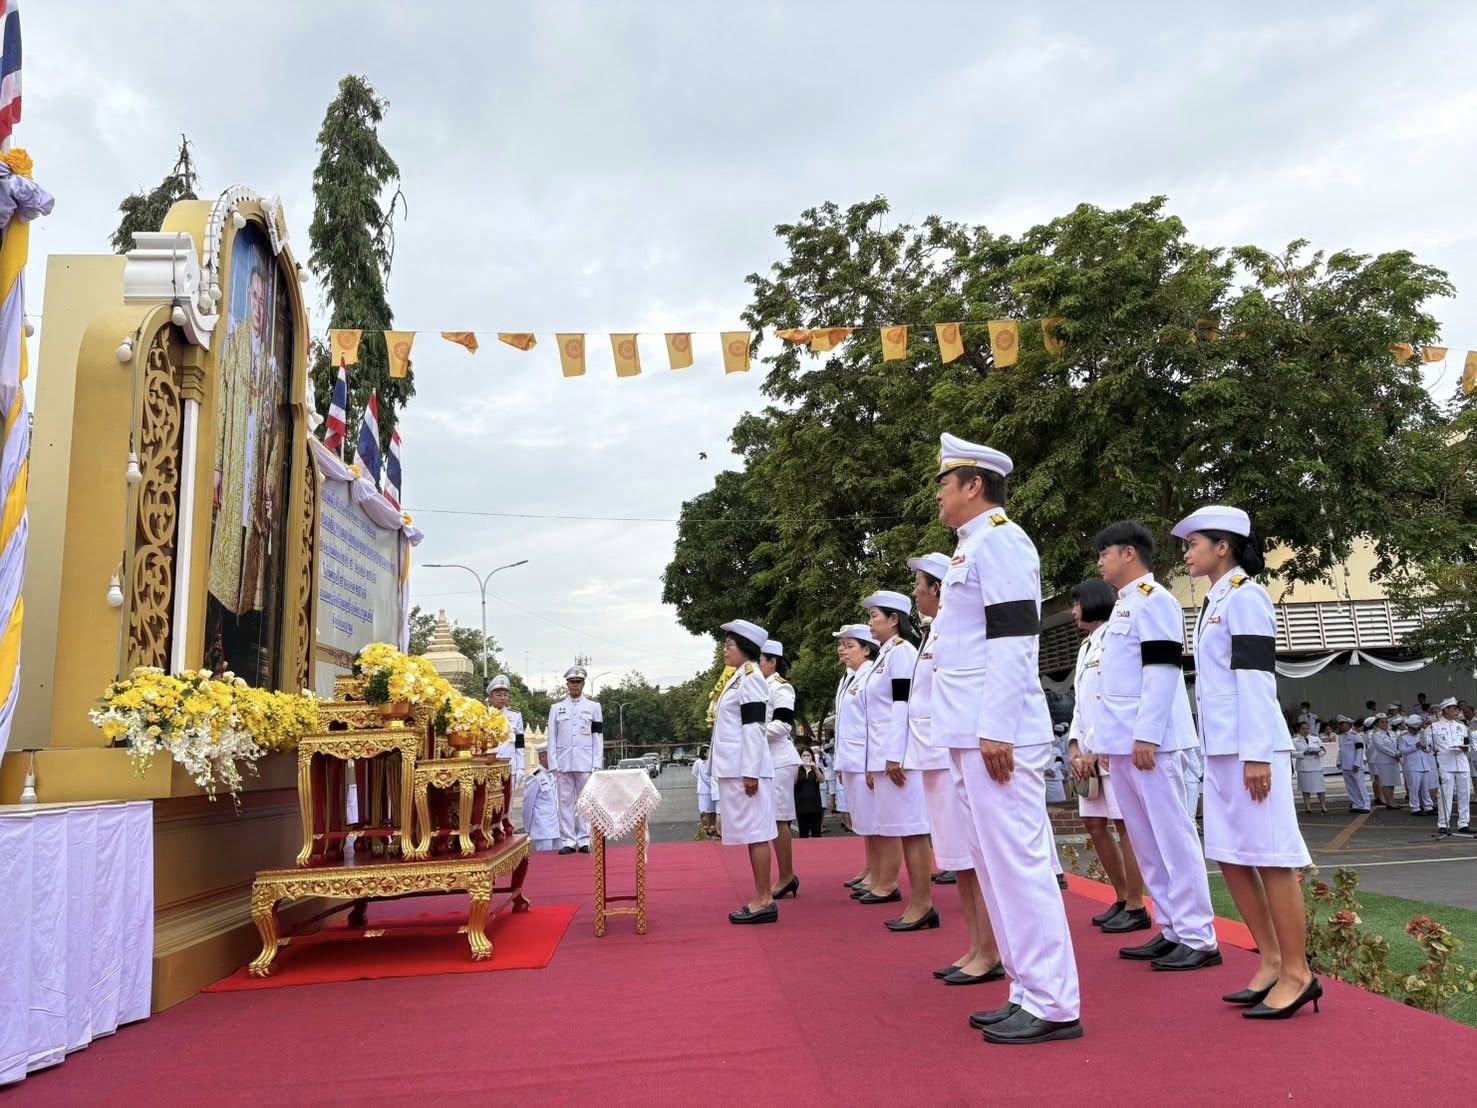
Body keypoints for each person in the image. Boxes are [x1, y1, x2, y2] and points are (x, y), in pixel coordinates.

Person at [931, 433, 1081, 1045]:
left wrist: (996, 725)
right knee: (996, 867)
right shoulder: (971, 548)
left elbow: (1016, 640)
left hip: (999, 732)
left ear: (974, 485)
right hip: (970, 731)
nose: (938, 495)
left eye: (945, 483)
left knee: (1019, 864)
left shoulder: (1003, 540)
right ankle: (1026, 989)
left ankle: (1054, 1002)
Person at [1173, 506, 1317, 1018]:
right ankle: (1272, 959)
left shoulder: (1246, 597)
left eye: (1193, 544)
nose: (1186, 554)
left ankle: (1298, 973)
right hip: (1221, 749)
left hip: (1252, 750)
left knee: (1272, 858)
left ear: (1224, 547)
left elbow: (1256, 679)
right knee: (1231, 855)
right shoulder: (1215, 600)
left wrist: (1257, 754)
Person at [1092, 519, 1220, 973]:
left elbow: (1162, 672)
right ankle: (1171, 927)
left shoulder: (1155, 600)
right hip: (1124, 745)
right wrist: (1106, 741)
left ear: (1128, 554)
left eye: (1105, 553)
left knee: (1173, 838)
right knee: (1147, 843)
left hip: (1153, 743)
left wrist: (1147, 734)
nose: (1100, 562)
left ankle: (1199, 935)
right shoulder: (1124, 607)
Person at [906, 551, 1004, 980]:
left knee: (973, 860)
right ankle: (977, 945)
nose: (916, 593)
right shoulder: (935, 631)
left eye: (920, 585)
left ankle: (991, 950)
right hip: (935, 755)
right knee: (958, 861)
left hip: (954, 754)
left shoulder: (959, 627)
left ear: (939, 588)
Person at [1065, 576, 1149, 934]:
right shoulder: (1086, 646)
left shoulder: (1114, 639)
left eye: (1077, 603)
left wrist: (1096, 748)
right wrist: (1074, 745)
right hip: (1087, 750)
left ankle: (1136, 904)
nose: (1073, 610)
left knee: (1124, 824)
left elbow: (1111, 699)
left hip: (1111, 749)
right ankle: (1120, 896)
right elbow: (1081, 703)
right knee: (1094, 823)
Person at [858, 590, 935, 929]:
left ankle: (923, 903)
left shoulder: (902, 652)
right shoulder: (885, 654)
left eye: (874, 616)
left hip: (899, 755)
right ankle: (917, 902)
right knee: (902, 830)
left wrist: (894, 755)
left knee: (912, 830)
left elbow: (902, 705)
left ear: (893, 620)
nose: (870, 623)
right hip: (884, 755)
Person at [710, 620, 778, 923]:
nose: (725, 651)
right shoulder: (739, 676)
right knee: (753, 834)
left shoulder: (751, 678)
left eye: (730, 646)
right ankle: (762, 896)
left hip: (747, 770)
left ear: (745, 648)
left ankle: (765, 900)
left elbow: (754, 728)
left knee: (757, 833)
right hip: (737, 767)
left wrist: (751, 772)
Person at [834, 624, 879, 888]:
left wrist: (873, 763)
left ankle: (880, 873)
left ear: (866, 650)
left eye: (849, 646)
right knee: (862, 819)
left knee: (873, 821)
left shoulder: (871, 675)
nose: (843, 650)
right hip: (850, 759)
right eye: (841, 646)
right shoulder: (848, 678)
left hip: (864, 758)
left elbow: (873, 723)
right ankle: (870, 867)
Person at [761, 639, 802, 899]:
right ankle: (786, 875)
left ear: (772, 662)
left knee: (779, 818)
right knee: (773, 818)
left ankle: (787, 875)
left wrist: (752, 733)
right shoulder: (760, 686)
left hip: (781, 759)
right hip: (767, 759)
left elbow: (783, 725)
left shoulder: (781, 688)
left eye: (759, 661)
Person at [547, 665, 603, 853]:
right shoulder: (557, 708)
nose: (575, 685)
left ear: (583, 684)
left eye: (578, 682)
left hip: (585, 761)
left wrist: (597, 763)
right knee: (565, 802)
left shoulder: (594, 707)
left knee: (585, 801)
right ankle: (568, 841)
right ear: (567, 684)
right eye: (572, 682)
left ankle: (585, 839)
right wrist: (553, 763)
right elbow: (552, 738)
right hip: (563, 762)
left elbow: (597, 736)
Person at [1432, 697, 1472, 836]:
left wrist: (1467, 748)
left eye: (1457, 709)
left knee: (1465, 794)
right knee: (1445, 795)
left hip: (1462, 763)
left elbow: (1468, 744)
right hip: (1445, 764)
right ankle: (1443, 823)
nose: (1457, 711)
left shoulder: (1461, 726)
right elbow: (1427, 745)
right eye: (1454, 709)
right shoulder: (1434, 727)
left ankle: (1464, 823)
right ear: (1445, 710)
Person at [487, 675, 526, 789]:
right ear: (490, 697)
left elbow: (519, 744)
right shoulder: (483, 715)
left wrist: (520, 768)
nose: (502, 698)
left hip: (510, 767)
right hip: (489, 766)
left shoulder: (515, 716)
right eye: (498, 695)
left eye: (505, 694)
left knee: (508, 799)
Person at [522, 749, 560, 851]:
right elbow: (528, 805)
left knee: (560, 859)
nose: (555, 758)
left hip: (557, 828)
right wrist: (527, 827)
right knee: (545, 859)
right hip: (543, 829)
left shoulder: (553, 775)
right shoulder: (534, 776)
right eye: (552, 755)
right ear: (542, 757)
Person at [1397, 717, 1436, 816]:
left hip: (1425, 765)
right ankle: (1415, 807)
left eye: (1418, 728)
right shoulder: (1403, 737)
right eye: (1414, 729)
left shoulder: (1421, 735)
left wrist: (1425, 747)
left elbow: (1428, 749)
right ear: (1409, 727)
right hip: (1413, 766)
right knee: (1414, 788)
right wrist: (1416, 746)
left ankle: (1428, 806)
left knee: (1425, 788)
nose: (1417, 731)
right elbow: (1403, 750)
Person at [1335, 716, 1370, 814]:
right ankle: (1356, 804)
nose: (1341, 726)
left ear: (1349, 725)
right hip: (1346, 765)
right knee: (1350, 786)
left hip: (1355, 765)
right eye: (1340, 725)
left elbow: (1360, 750)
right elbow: (1341, 750)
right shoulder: (1341, 737)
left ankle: (1365, 805)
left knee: (1360, 785)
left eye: (1343, 724)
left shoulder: (1356, 736)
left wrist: (1357, 763)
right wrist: (1338, 761)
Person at [1293, 722, 1329, 814]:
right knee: (1305, 788)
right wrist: (1303, 753)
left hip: (1316, 765)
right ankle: (1307, 807)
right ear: (1299, 729)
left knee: (1320, 788)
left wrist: (1317, 753)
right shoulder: (1294, 741)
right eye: (1303, 728)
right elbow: (1291, 753)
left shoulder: (1316, 739)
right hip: (1303, 766)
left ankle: (1323, 806)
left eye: (1307, 728)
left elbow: (1323, 750)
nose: (1305, 730)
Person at [1366, 715, 1401, 810]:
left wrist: (1397, 753)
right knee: (1386, 782)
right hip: (1384, 761)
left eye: (1386, 722)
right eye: (1382, 722)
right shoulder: (1376, 735)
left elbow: (1396, 745)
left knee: (1392, 781)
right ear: (1377, 724)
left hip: (1393, 760)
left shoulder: (1391, 733)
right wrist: (1394, 754)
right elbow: (1381, 747)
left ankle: (1392, 800)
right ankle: (1389, 802)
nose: (1385, 724)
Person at [794, 749, 825, 838]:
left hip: (815, 806)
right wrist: (797, 767)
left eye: (808, 755)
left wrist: (815, 768)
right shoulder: (798, 770)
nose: (806, 757)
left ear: (812, 757)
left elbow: (822, 780)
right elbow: (793, 782)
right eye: (804, 756)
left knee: (816, 833)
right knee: (803, 833)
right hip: (801, 806)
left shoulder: (816, 769)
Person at [693, 745, 718, 839]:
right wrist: (713, 784)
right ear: (704, 753)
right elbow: (695, 773)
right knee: (705, 810)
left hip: (712, 790)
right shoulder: (699, 762)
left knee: (713, 810)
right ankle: (705, 828)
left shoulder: (712, 762)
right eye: (708, 752)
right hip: (704, 790)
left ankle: (712, 827)